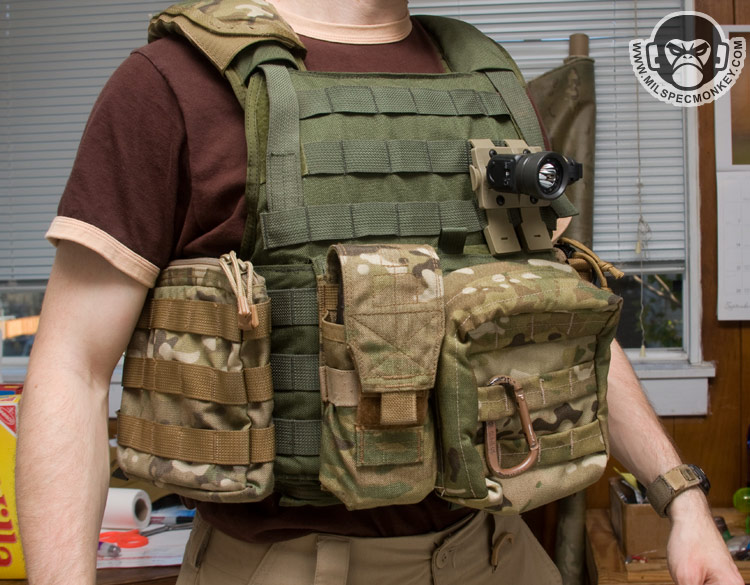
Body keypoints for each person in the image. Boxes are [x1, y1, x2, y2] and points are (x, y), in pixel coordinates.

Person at [15, 1, 743, 584]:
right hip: (288, 564)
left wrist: (680, 499)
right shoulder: (173, 83)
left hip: (494, 551)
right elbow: (73, 367)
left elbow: (557, 326)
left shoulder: (491, 83)